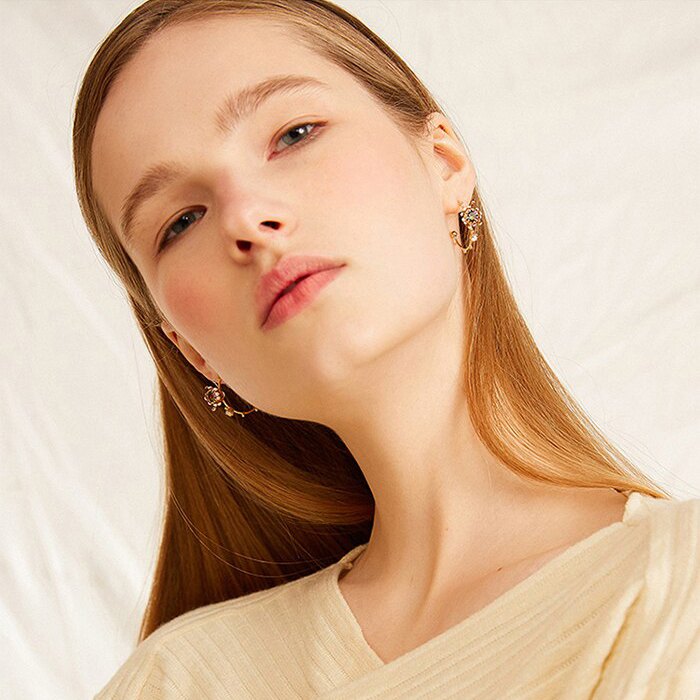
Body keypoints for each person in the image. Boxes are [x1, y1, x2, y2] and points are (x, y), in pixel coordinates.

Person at [72, 1, 699, 697]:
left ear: (443, 162)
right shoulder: (178, 680)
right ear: (190, 350)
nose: (246, 218)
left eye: (294, 134)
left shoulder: (679, 581)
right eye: (181, 221)